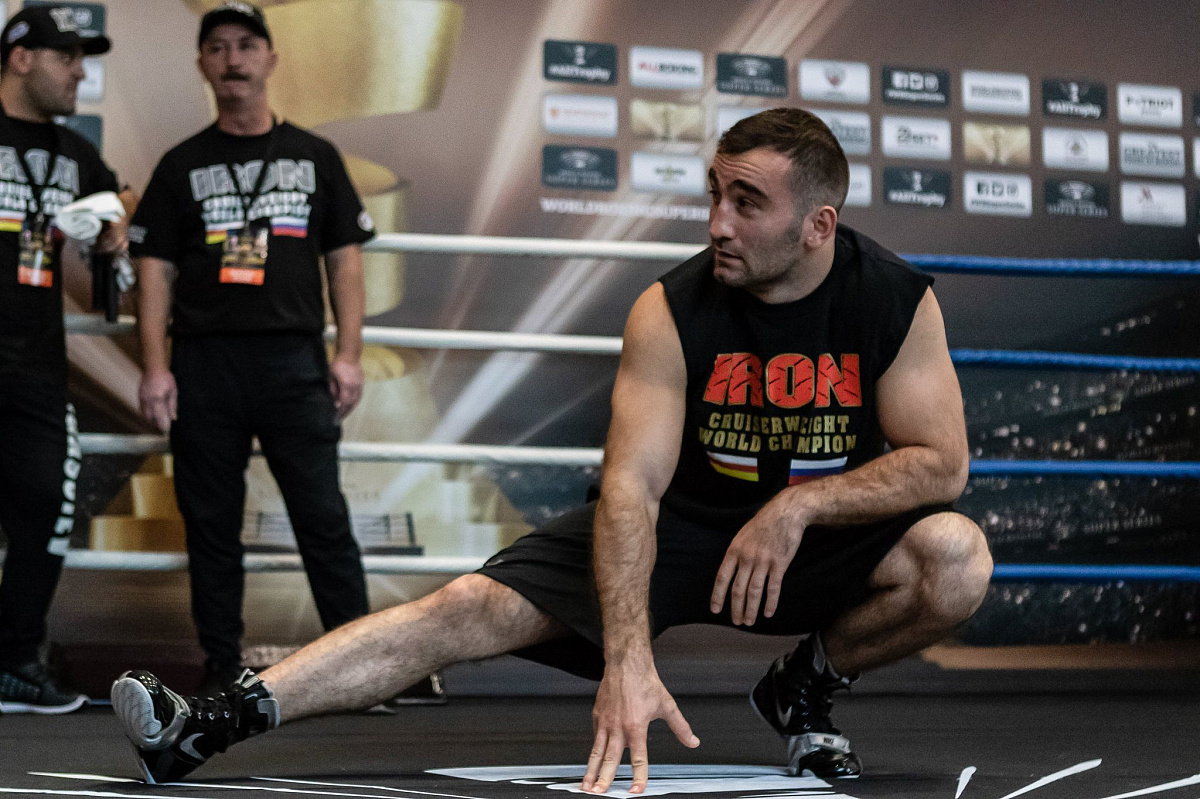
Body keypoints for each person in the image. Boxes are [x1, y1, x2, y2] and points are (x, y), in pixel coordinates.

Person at [111, 107, 993, 789]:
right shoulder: (672, 309)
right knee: (465, 605)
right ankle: (205, 723)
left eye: (747, 203)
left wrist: (799, 505)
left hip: (811, 537)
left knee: (956, 558)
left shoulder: (892, 300)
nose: (718, 223)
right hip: (680, 527)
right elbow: (632, 487)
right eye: (715, 195)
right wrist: (627, 655)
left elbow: (941, 462)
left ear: (818, 225)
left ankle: (804, 685)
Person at [127, 2, 374, 697]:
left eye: (245, 45)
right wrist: (155, 367)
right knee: (210, 524)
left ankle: (359, 668)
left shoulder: (316, 156)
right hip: (203, 363)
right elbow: (153, 271)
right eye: (217, 47)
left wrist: (348, 353)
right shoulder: (180, 164)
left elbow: (345, 260)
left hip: (294, 360)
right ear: (202, 65)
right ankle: (221, 668)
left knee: (322, 515)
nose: (232, 59)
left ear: (270, 59)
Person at [0, 4, 132, 714]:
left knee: (48, 506)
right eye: (66, 58)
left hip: (37, 370)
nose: (81, 72)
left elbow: (123, 194)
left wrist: (114, 222)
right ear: (21, 58)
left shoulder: (71, 151)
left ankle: (15, 659)